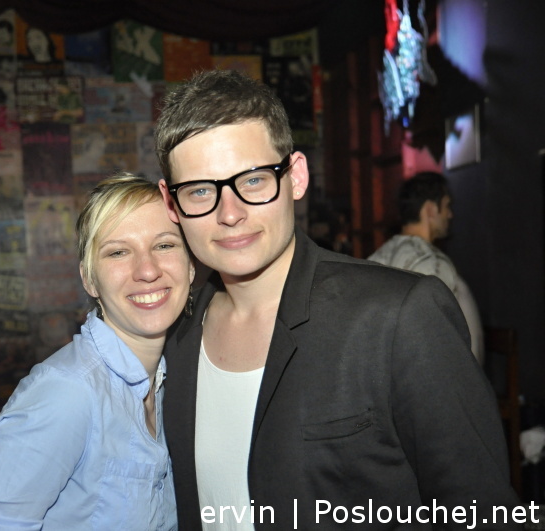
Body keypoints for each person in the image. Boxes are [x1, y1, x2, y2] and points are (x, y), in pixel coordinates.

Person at [153, 70, 519, 530]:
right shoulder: (174, 335)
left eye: (253, 180)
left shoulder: (399, 316)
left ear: (296, 176)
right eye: (200, 190)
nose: (230, 213)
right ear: (172, 203)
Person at [0, 174, 192, 530]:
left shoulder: (174, 382)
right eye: (118, 252)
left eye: (164, 245)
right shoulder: (66, 393)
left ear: (191, 264)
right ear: (89, 279)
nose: (147, 270)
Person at [368, 171, 485, 365]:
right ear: (430, 209)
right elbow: (432, 345)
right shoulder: (430, 264)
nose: (450, 214)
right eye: (446, 206)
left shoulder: (376, 257)